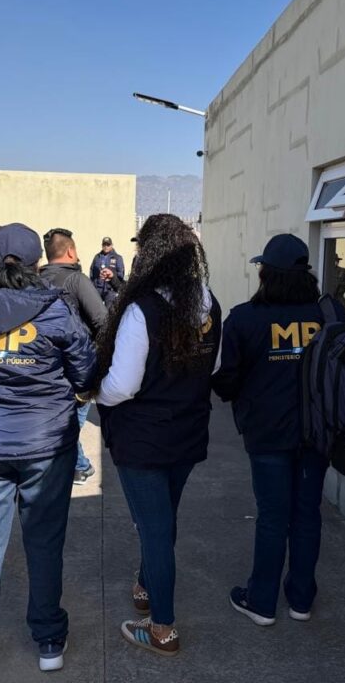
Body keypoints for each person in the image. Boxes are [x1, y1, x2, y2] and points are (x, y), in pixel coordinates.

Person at [0, 223, 96, 681]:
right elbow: (86, 372)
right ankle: (49, 640)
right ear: (38, 263)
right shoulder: (55, 309)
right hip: (45, 446)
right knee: (44, 543)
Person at [95, 213, 222, 657]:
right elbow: (214, 366)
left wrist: (96, 395)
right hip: (188, 433)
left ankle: (162, 628)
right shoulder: (209, 304)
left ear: (149, 255)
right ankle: (147, 585)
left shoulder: (142, 310)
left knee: (153, 528)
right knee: (163, 519)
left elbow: (122, 386)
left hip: (143, 439)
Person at [211, 234, 328, 627]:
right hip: (317, 435)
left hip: (267, 435)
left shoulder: (245, 318)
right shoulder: (327, 316)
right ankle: (301, 600)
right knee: (307, 514)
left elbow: (226, 380)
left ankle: (261, 602)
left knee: (273, 516)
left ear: (267, 274)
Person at [41, 227, 107, 484]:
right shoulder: (76, 280)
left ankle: (76, 465)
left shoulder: (35, 280)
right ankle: (77, 467)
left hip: (44, 367)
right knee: (71, 424)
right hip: (75, 368)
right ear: (70, 251)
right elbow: (102, 321)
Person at [90, 236, 125, 308]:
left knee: (109, 312)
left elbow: (120, 275)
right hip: (98, 290)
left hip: (110, 290)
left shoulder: (118, 258)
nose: (106, 247)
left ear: (112, 245)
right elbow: (92, 271)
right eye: (104, 245)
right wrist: (93, 285)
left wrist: (116, 285)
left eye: (108, 245)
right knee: (96, 310)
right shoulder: (97, 257)